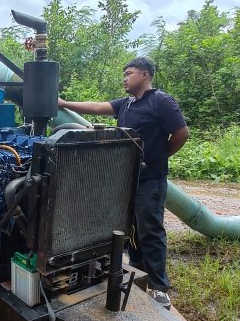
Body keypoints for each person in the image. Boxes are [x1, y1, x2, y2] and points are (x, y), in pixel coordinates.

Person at [58, 57, 189, 308]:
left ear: (144, 75)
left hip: (150, 181)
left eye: (128, 73)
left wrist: (160, 155)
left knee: (150, 230)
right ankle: (138, 270)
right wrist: (63, 103)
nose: (124, 78)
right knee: (130, 229)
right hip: (126, 180)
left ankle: (159, 287)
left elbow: (182, 134)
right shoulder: (126, 104)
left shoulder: (160, 101)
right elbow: (96, 107)